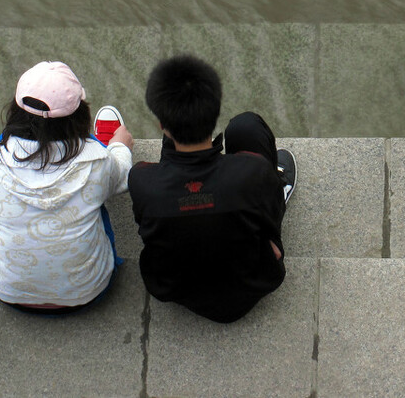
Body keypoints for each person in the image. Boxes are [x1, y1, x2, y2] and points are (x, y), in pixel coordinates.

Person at [127, 54, 297, 323]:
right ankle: (279, 186)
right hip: (253, 282)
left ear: (161, 124)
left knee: (170, 162)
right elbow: (268, 218)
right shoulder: (252, 170)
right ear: (215, 113)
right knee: (246, 126)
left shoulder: (141, 180)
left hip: (175, 288)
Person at [0, 60, 133, 314]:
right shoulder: (97, 162)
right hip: (88, 291)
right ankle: (95, 140)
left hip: (8, 292)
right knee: (96, 200)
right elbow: (122, 179)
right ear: (79, 114)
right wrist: (120, 146)